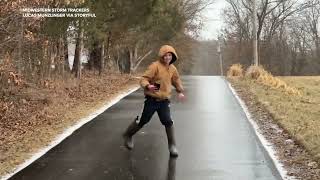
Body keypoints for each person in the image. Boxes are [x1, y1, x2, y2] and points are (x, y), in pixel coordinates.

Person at [122, 45, 185, 157]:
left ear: (173, 56)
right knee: (143, 120)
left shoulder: (173, 69)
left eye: (170, 55)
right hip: (151, 100)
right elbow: (144, 79)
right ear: (161, 56)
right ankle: (128, 135)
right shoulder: (155, 66)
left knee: (168, 121)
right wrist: (147, 86)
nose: (167, 58)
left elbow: (176, 80)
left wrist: (180, 91)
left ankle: (172, 146)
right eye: (165, 55)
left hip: (164, 101)